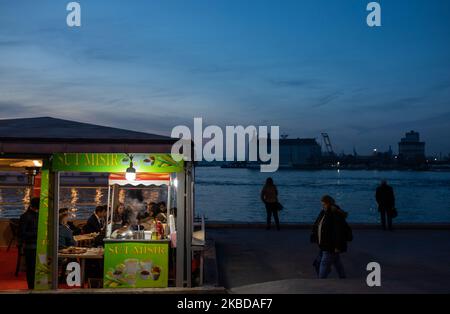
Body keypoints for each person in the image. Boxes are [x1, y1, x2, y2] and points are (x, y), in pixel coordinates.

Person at [311, 195, 352, 279]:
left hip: (330, 244)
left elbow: (338, 232)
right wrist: (314, 235)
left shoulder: (334, 214)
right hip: (324, 244)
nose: (322, 206)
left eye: (324, 204)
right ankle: (343, 277)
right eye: (322, 204)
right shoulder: (324, 212)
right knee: (337, 261)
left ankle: (321, 281)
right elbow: (318, 224)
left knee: (324, 263)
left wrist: (337, 246)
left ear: (329, 204)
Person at [19, 197, 40, 289]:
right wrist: (38, 233)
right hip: (31, 246)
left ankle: (37, 286)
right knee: (31, 269)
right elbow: (22, 234)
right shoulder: (25, 216)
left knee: (38, 269)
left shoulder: (37, 215)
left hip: (38, 245)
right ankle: (31, 288)